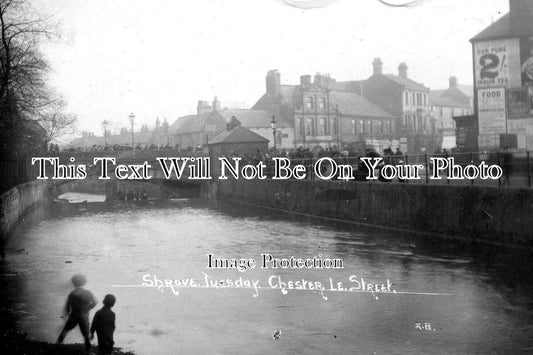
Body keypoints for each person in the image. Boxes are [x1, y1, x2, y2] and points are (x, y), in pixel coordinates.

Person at [57, 274, 97, 353]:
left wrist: (66, 314)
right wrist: (88, 308)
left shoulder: (72, 294)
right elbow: (95, 302)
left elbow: (68, 306)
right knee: (86, 336)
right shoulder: (87, 293)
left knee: (65, 331)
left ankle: (57, 346)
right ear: (84, 282)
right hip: (84, 316)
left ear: (73, 283)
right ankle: (88, 351)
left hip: (74, 316)